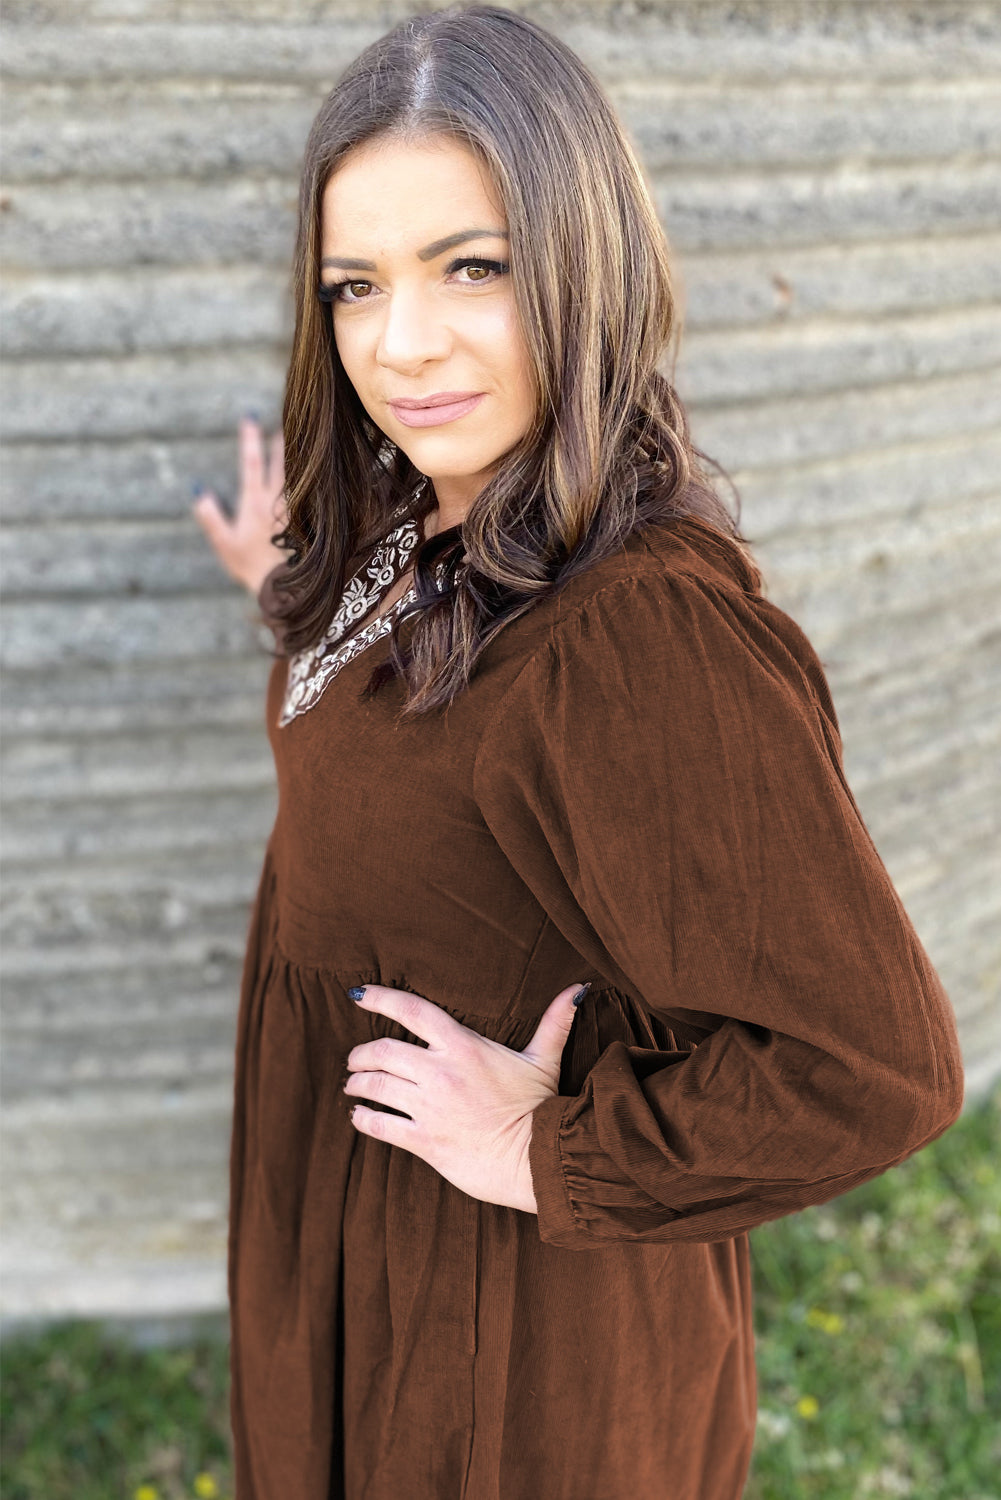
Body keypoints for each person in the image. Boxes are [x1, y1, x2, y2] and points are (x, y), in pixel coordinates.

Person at [191, 6, 965, 1497]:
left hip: (501, 1317)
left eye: (469, 267)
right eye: (356, 286)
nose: (400, 344)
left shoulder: (636, 643)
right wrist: (298, 591)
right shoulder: (416, 512)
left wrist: (542, 1159)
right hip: (350, 1212)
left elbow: (874, 1073)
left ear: (580, 256)